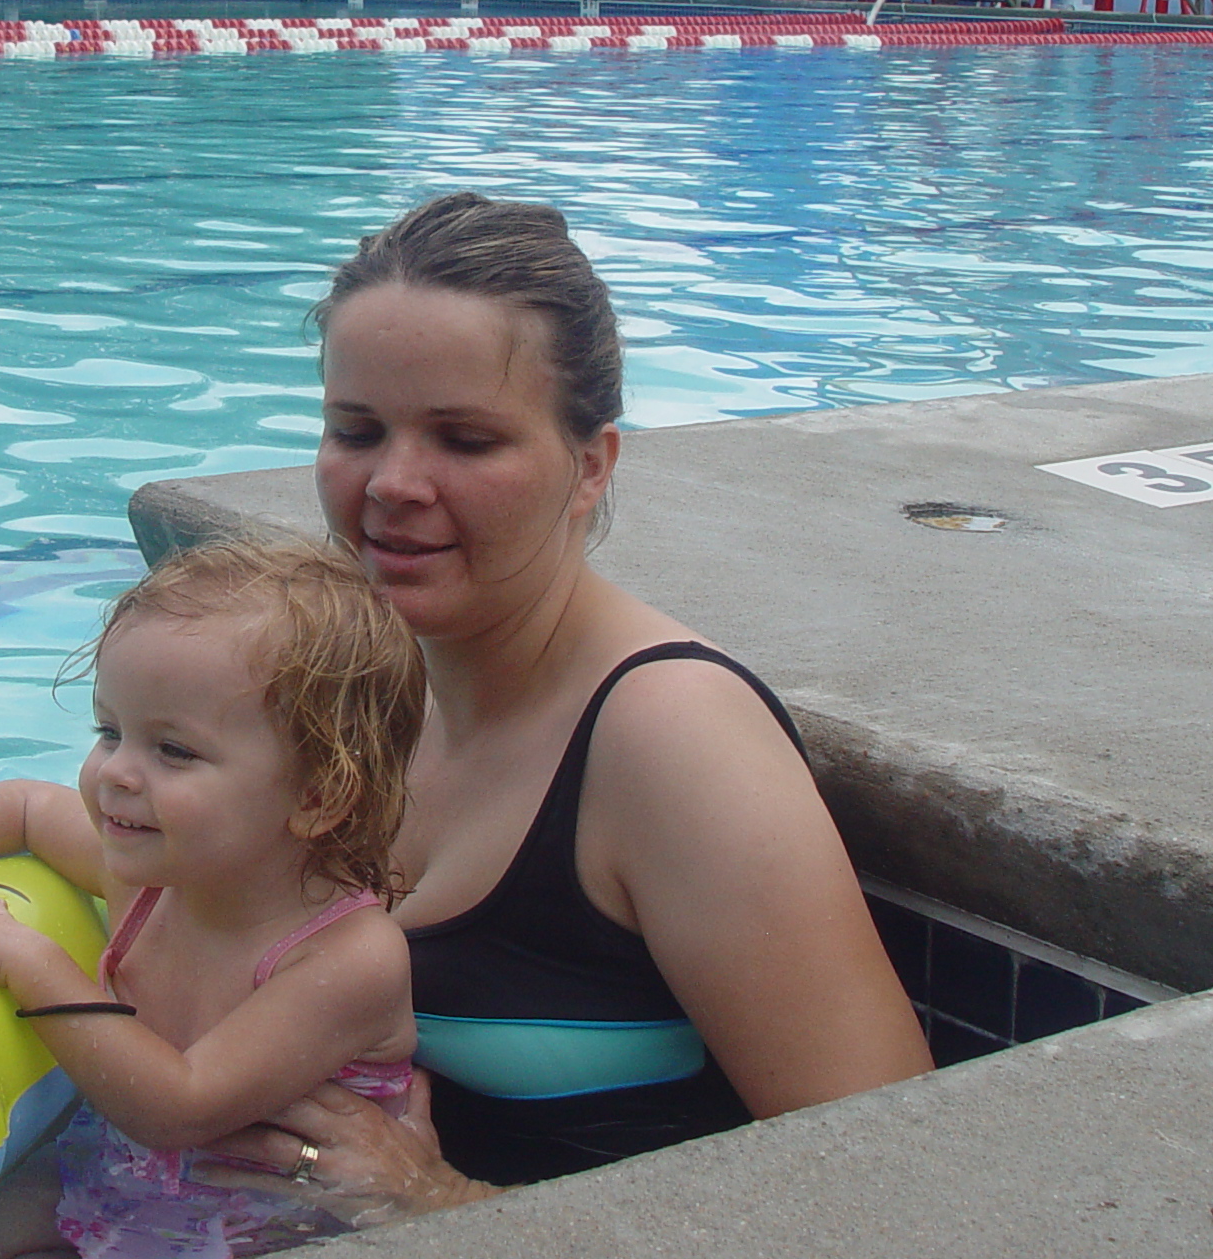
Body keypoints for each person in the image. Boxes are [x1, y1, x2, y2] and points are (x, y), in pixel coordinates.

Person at [194, 191, 933, 1217]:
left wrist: (443, 1204)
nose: (393, 483)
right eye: (355, 429)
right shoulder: (352, 687)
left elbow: (893, 1181)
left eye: (465, 440)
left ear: (590, 466)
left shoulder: (672, 740)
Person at [0, 536, 429, 1259]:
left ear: (318, 794)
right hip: (115, 1180)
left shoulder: (346, 956)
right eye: (109, 731)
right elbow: (23, 806)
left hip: (272, 1227)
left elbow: (180, 1109)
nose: (116, 772)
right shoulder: (150, 879)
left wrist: (26, 961)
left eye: (173, 750)